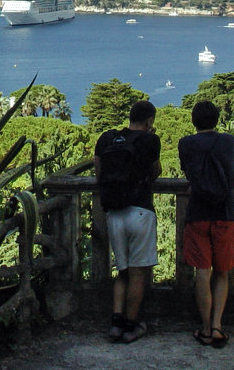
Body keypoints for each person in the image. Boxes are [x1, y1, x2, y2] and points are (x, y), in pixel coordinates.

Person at [93, 100, 162, 343]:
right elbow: (155, 172)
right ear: (149, 121)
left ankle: (115, 322)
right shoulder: (150, 141)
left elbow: (99, 172)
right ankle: (131, 326)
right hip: (140, 212)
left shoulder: (107, 139)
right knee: (138, 273)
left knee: (121, 271)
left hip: (114, 213)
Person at [177, 99, 234, 349]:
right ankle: (217, 326)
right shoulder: (228, 141)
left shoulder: (186, 144)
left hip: (198, 213)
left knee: (203, 272)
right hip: (224, 213)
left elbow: (188, 174)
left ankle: (204, 328)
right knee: (222, 271)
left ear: (194, 121)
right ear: (217, 120)